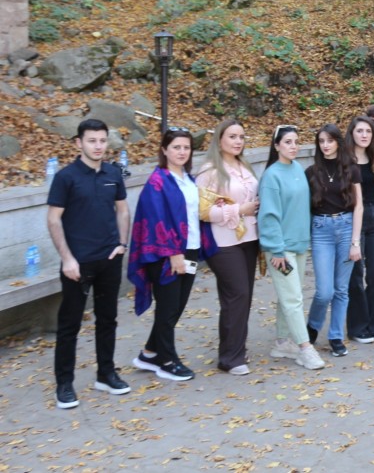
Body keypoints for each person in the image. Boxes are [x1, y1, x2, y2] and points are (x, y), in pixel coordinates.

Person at [47, 119, 132, 408]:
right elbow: (53, 219)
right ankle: (65, 384)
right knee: (69, 325)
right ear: (78, 143)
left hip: (109, 259)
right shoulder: (66, 177)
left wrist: (122, 244)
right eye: (92, 140)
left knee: (108, 320)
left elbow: (122, 210)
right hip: (78, 264)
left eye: (102, 140)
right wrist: (67, 259)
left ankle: (106, 374)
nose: (98, 146)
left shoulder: (113, 172)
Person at [128, 129, 217, 383]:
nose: (181, 152)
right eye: (176, 147)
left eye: (186, 147)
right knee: (167, 307)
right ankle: (167, 361)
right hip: (166, 254)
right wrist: (173, 254)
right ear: (165, 150)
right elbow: (156, 218)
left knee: (177, 305)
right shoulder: (158, 181)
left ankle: (149, 353)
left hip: (189, 250)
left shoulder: (188, 179)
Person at [259, 125, 325, 370]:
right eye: (288, 142)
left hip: (299, 245)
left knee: (289, 295)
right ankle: (305, 348)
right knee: (293, 298)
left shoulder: (297, 169)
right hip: (281, 249)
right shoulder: (271, 176)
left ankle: (282, 341)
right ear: (276, 146)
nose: (293, 146)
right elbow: (268, 216)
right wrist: (275, 250)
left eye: (296, 141)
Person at [197, 118, 261, 375]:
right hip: (223, 241)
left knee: (240, 297)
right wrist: (239, 209)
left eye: (241, 137)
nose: (238, 141)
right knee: (238, 293)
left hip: (249, 239)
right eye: (232, 136)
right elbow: (202, 211)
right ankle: (231, 358)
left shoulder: (244, 165)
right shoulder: (210, 170)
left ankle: (234, 349)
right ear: (220, 139)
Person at [304, 124, 363, 356]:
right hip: (321, 231)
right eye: (321, 141)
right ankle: (312, 326)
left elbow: (358, 206)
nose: (325, 145)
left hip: (347, 228)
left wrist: (355, 242)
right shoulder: (311, 172)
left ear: (338, 141)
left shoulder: (351, 169)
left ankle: (336, 336)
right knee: (324, 291)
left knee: (341, 289)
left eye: (329, 140)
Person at [346, 116, 374, 345]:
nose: (364, 135)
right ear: (352, 133)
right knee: (355, 274)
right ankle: (357, 326)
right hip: (354, 219)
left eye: (368, 132)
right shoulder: (345, 160)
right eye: (360, 131)